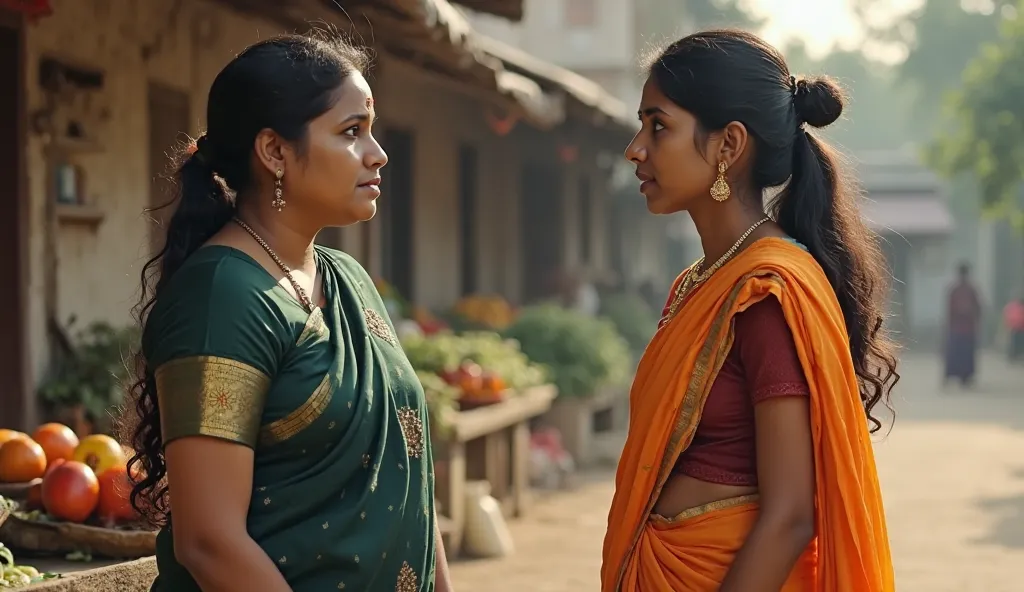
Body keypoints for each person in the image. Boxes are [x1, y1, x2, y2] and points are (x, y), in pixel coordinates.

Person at [122, 33, 452, 592]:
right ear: (274, 152)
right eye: (352, 132)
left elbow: (407, 483)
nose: (378, 153)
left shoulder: (348, 281)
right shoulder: (223, 297)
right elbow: (209, 542)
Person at [602, 30, 898, 591]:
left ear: (728, 146)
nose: (636, 147)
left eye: (658, 125)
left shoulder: (766, 291)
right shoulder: (700, 281)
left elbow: (790, 516)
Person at [944, 263, 982, 387]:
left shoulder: (963, 290)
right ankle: (959, 376)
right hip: (960, 327)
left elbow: (977, 308)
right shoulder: (964, 290)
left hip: (963, 327)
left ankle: (964, 377)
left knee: (962, 352)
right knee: (959, 352)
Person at [1003, 290, 1024, 362]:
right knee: (1013, 342)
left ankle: (1016, 355)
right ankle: (1012, 356)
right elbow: (1008, 315)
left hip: (1020, 327)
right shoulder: (1012, 306)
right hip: (1014, 327)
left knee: (1018, 342)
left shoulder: (1020, 306)